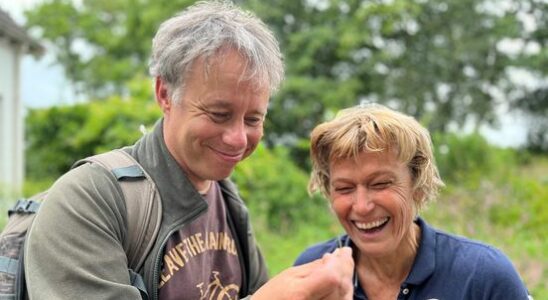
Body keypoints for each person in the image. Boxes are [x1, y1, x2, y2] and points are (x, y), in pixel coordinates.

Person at [24, 1, 354, 299]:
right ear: (165, 94)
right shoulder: (90, 200)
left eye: (253, 118)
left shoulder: (228, 201)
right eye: (218, 115)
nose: (238, 139)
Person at [294, 104, 532, 299]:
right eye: (345, 188)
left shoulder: (483, 277)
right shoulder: (312, 271)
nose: (362, 206)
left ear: (418, 184)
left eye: (380, 184)